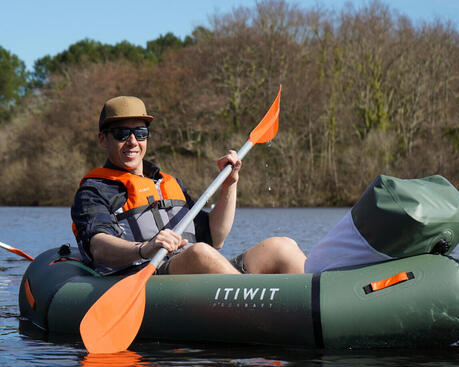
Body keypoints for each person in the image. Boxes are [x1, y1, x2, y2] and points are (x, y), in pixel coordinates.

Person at [70, 96, 306, 276]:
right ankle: (259, 302)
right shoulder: (94, 190)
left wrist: (229, 186)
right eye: (122, 133)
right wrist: (147, 247)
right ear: (103, 139)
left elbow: (216, 236)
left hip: (201, 276)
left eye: (140, 133)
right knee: (199, 252)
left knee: (281, 246)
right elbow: (98, 247)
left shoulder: (167, 183)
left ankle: (318, 304)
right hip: (150, 277)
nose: (132, 141)